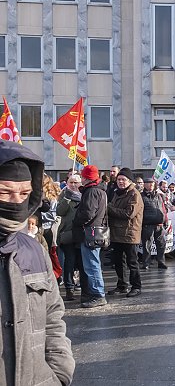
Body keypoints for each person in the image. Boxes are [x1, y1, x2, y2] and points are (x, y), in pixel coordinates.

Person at [0, 140, 75, 385]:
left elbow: (53, 315)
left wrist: (59, 374)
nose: (16, 201)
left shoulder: (34, 250)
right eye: (4, 192)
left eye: (24, 193)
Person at [73, 164, 108, 308]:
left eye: (82, 176)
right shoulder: (100, 191)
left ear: (86, 178)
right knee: (93, 264)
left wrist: (77, 220)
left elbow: (88, 213)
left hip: (90, 232)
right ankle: (96, 293)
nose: (81, 179)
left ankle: (98, 294)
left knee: (92, 265)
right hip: (95, 231)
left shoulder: (92, 192)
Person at [107, 167, 144, 298]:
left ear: (130, 181)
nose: (121, 182)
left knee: (132, 262)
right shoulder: (117, 193)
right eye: (119, 179)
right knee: (118, 261)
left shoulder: (134, 194)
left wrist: (110, 209)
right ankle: (122, 285)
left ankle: (136, 286)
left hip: (130, 234)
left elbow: (129, 213)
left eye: (123, 179)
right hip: (116, 233)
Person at [57, 173, 84, 301]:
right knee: (69, 261)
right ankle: (69, 288)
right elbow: (59, 211)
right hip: (68, 233)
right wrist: (66, 199)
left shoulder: (85, 194)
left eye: (76, 182)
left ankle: (83, 286)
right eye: (71, 182)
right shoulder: (64, 194)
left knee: (81, 261)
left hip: (82, 234)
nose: (73, 185)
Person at [140, 178, 168, 270]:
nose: (151, 185)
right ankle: (146, 263)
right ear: (144, 185)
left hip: (159, 224)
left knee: (161, 244)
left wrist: (165, 220)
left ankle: (161, 262)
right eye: (148, 183)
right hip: (147, 224)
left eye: (152, 183)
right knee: (147, 245)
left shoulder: (159, 196)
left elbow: (163, 208)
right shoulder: (141, 196)